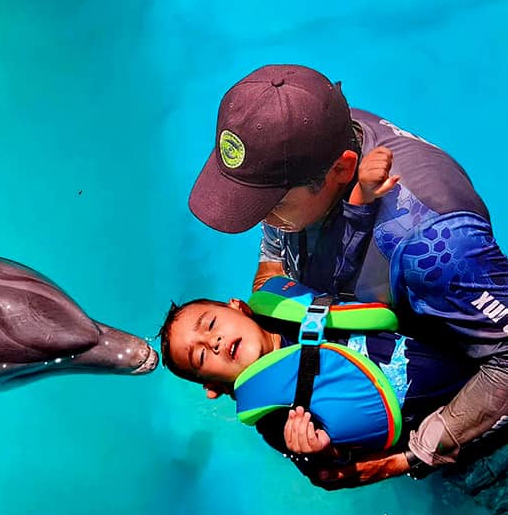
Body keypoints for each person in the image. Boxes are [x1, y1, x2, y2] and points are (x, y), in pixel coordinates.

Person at [188, 63, 507, 487]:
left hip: (470, 405)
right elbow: (275, 249)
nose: (259, 219)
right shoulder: (307, 132)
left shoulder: (437, 247)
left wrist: (403, 460)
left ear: (342, 169)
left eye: (269, 206)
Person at [159, 290, 474, 484]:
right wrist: (320, 453)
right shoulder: (277, 418)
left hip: (462, 347)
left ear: (237, 306)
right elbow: (331, 470)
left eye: (211, 324)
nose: (212, 342)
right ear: (213, 387)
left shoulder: (292, 307)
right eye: (200, 356)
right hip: (458, 436)